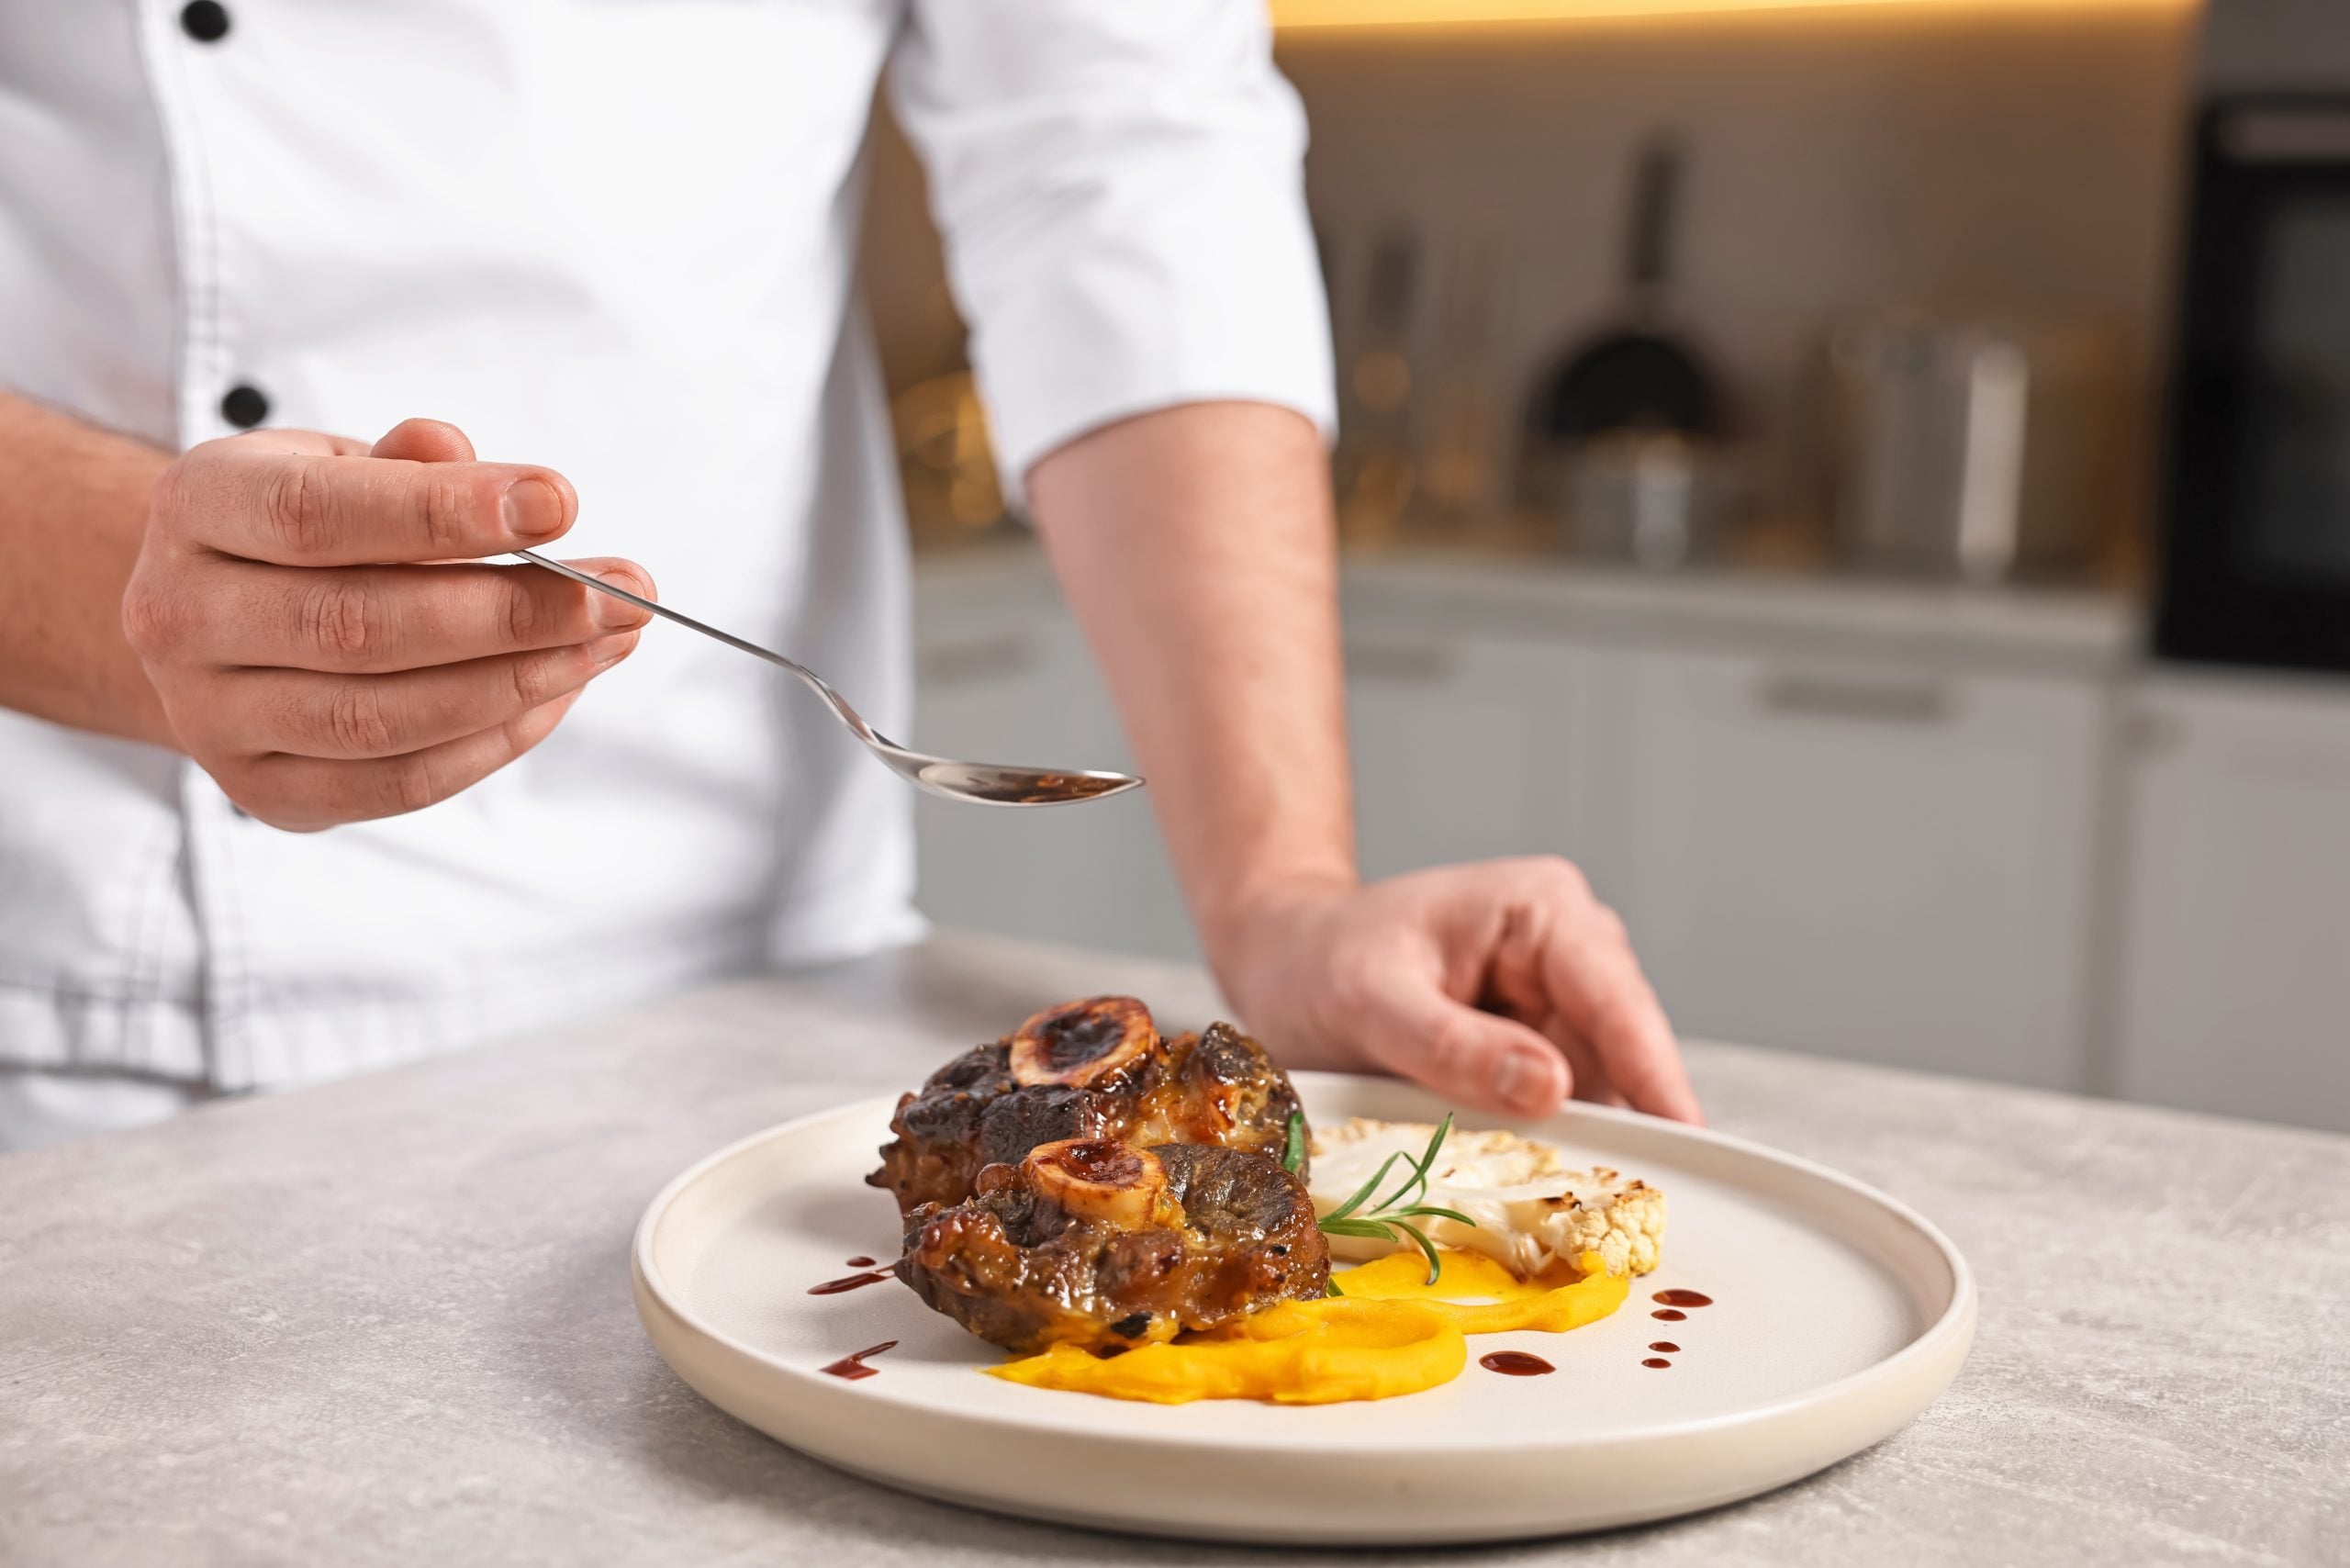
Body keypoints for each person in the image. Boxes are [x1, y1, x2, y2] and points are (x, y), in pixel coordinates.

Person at [0, 1, 1699, 1151]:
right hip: (43, 985)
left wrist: (1285, 896)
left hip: (727, 1002)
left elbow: (1122, 163)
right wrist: (117, 585)